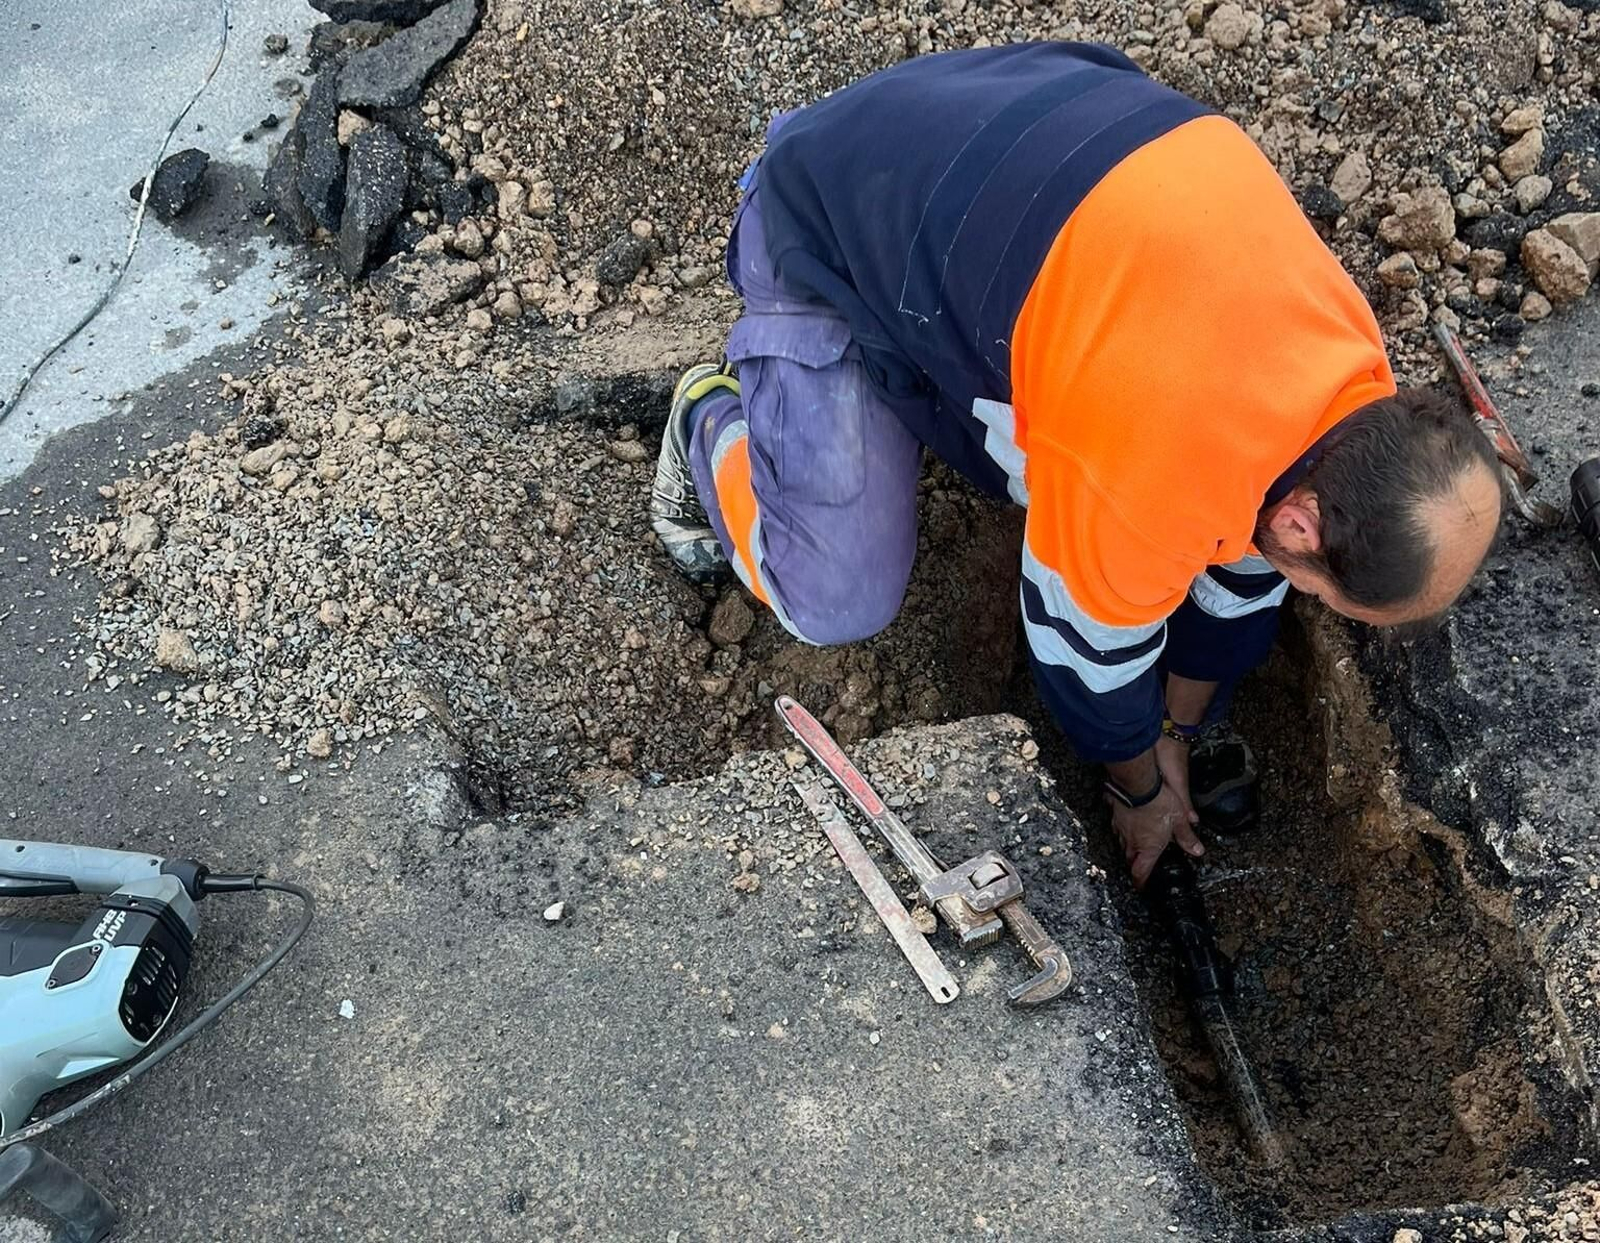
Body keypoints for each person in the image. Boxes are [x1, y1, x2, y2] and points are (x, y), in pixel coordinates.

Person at [648, 42, 1503, 886]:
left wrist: (1178, 729)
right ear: (1301, 521)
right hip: (826, 209)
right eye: (1325, 590)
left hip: (1026, 123)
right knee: (835, 595)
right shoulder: (1148, 477)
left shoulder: (1352, 390)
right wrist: (1136, 786)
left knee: (1055, 445)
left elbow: (1250, 571)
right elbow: (1078, 653)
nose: (1305, 591)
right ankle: (711, 419)